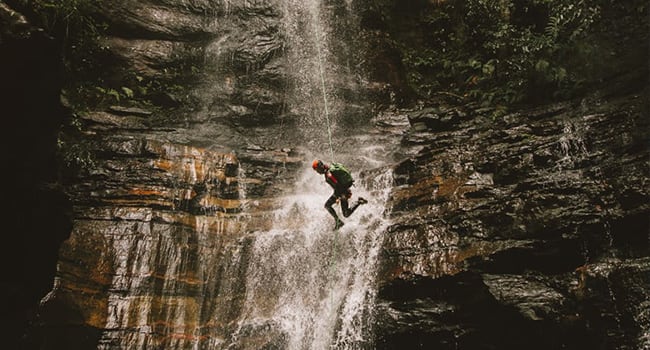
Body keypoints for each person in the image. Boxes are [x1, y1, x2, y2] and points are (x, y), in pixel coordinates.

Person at [312, 159, 368, 229]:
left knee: (328, 206)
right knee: (345, 213)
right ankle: (359, 201)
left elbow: (337, 186)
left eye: (317, 170)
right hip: (343, 190)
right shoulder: (330, 166)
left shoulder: (328, 175)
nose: (317, 172)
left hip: (341, 192)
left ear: (320, 167)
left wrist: (339, 197)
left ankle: (339, 222)